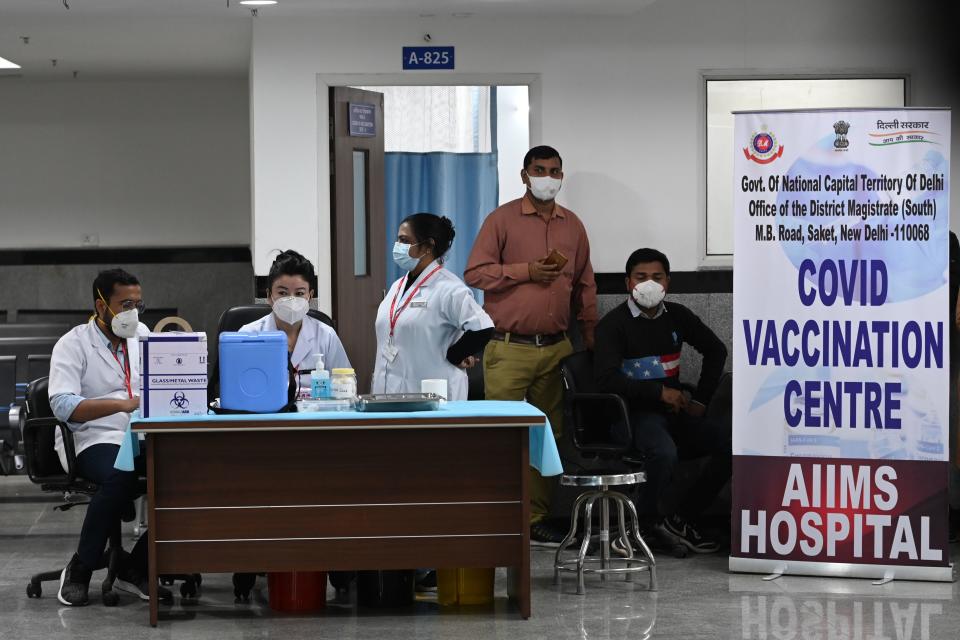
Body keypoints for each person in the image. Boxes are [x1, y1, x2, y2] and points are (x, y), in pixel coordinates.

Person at [465, 145, 597, 545]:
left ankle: (535, 518)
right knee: (502, 434)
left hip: (557, 347)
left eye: (554, 171)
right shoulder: (501, 220)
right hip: (508, 347)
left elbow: (585, 283)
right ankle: (497, 513)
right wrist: (525, 272)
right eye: (539, 170)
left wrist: (589, 336)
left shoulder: (572, 225)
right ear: (524, 175)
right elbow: (475, 272)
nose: (547, 177)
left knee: (547, 437)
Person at [594, 248, 730, 554]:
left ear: (668, 281)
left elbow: (716, 350)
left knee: (729, 446)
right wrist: (658, 392)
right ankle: (638, 528)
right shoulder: (613, 325)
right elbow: (606, 379)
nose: (649, 284)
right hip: (632, 417)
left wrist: (702, 401)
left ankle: (680, 521)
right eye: (641, 277)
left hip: (674, 413)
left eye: (657, 277)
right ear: (628, 282)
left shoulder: (678, 316)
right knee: (664, 453)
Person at [48, 268, 167, 605]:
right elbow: (63, 405)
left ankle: (135, 566)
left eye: (138, 304)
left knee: (185, 476)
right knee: (121, 474)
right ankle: (81, 567)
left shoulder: (141, 334)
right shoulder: (73, 343)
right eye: (124, 304)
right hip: (93, 437)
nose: (132, 313)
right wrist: (121, 404)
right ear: (101, 306)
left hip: (143, 432)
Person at [373, 213, 493, 400]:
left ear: (427, 246)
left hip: (434, 396)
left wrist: (455, 355)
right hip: (390, 393)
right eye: (398, 240)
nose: (397, 247)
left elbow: (483, 328)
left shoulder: (449, 289)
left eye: (404, 241)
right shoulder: (397, 286)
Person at [239, 250, 350, 398]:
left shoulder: (326, 336)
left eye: (299, 293)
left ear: (310, 296)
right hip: (264, 417)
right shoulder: (247, 335)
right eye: (283, 293)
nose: (291, 300)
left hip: (314, 418)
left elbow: (345, 386)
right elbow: (237, 388)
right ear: (269, 296)